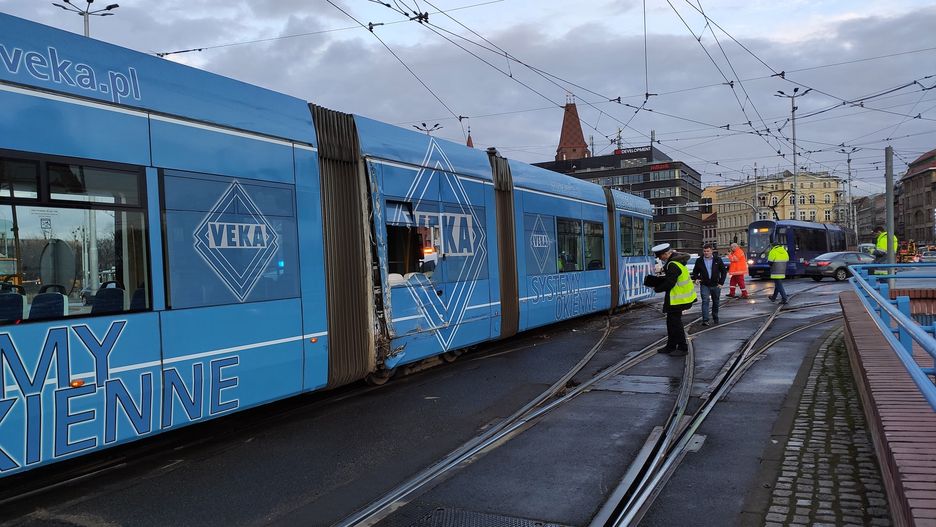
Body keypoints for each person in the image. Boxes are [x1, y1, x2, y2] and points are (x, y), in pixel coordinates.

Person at [643, 243, 696, 356]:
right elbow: (671, 279)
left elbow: (670, 283)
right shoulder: (678, 262)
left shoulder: (672, 264)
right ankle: (670, 346)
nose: (659, 258)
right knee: (671, 324)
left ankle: (682, 348)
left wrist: (656, 288)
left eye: (660, 256)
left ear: (666, 254)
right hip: (679, 299)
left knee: (675, 325)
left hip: (677, 300)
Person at [691, 243, 727, 326]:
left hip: (716, 285)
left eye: (708, 251)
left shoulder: (717, 259)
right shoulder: (699, 260)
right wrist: (696, 278)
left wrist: (721, 282)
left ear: (711, 251)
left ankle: (715, 317)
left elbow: (724, 272)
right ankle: (705, 320)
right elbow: (695, 271)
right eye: (704, 251)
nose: (706, 253)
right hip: (704, 284)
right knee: (705, 301)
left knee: (716, 302)